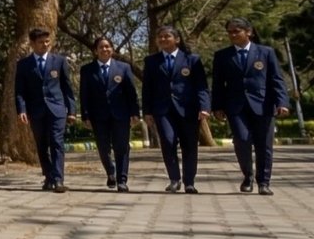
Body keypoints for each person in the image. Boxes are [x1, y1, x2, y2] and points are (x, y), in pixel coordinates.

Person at [211, 17, 291, 195]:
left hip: (263, 105)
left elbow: (276, 80)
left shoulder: (266, 52)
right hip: (235, 106)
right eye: (230, 32)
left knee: (264, 145)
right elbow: (217, 84)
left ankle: (264, 182)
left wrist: (282, 102)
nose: (232, 34)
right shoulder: (222, 56)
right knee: (241, 140)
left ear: (249, 32)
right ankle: (248, 176)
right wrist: (217, 106)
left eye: (236, 31)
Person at [142, 24, 210, 193]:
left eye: (167, 36)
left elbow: (201, 86)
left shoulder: (192, 59)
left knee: (189, 145)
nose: (163, 39)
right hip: (162, 109)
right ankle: (174, 179)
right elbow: (147, 88)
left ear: (177, 39)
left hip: (188, 109)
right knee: (168, 141)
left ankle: (189, 182)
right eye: (161, 37)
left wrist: (205, 107)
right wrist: (147, 111)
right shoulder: (151, 61)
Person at [14, 26, 75, 192]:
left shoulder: (59, 61)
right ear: (33, 44)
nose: (45, 44)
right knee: (41, 145)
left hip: (57, 108)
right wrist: (22, 110)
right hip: (36, 110)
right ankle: (48, 176)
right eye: (41, 42)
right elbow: (20, 90)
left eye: (47, 41)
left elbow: (67, 88)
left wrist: (72, 111)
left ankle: (58, 179)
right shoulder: (23, 65)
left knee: (57, 142)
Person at [79, 35, 140, 192]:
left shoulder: (123, 68)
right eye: (101, 47)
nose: (105, 49)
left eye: (107, 46)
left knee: (122, 147)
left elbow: (131, 93)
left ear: (112, 49)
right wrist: (85, 115)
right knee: (103, 148)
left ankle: (122, 180)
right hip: (98, 116)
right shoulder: (87, 70)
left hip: (121, 114)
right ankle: (110, 172)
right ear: (95, 51)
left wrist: (135, 113)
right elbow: (84, 94)